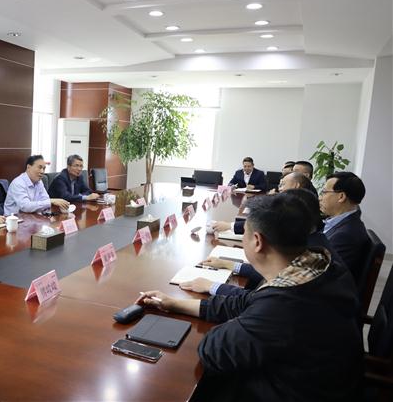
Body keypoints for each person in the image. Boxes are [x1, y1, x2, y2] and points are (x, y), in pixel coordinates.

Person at [138, 194, 362, 401]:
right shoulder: (318, 265)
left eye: (244, 232)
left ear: (257, 241)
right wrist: (176, 304)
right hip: (320, 379)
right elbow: (249, 301)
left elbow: (213, 350)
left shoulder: (285, 304)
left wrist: (239, 322)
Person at [187, 188, 340, 297]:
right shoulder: (315, 248)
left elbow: (254, 301)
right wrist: (228, 264)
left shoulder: (284, 294)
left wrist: (212, 285)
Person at [212, 171, 315, 234]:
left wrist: (229, 226)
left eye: (283, 185)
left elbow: (265, 223)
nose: (280, 189)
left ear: (296, 185)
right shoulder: (301, 201)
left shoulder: (296, 207)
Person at [320, 171, 370, 283]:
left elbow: (323, 274)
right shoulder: (343, 223)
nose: (320, 198)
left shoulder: (345, 235)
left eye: (324, 192)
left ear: (341, 197)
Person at [4, 155, 69, 215]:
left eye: (44, 168)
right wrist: (51, 201)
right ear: (28, 167)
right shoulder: (18, 183)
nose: (42, 171)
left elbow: (45, 199)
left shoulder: (39, 182)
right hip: (15, 220)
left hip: (32, 218)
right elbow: (26, 207)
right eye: (39, 167)